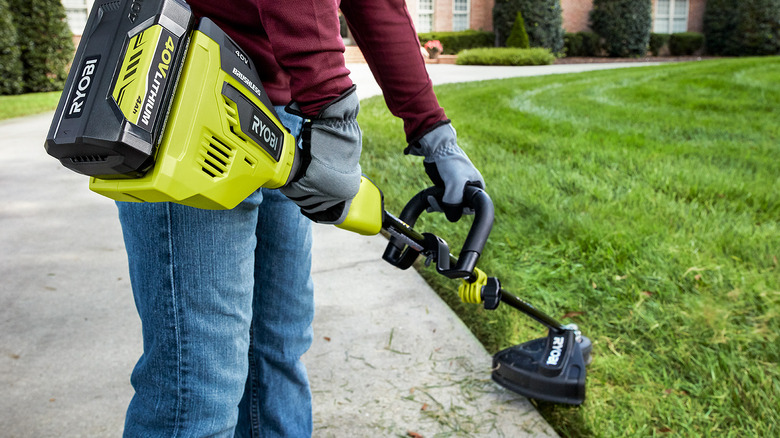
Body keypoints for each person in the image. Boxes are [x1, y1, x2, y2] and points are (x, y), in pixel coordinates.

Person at [118, 0, 484, 436]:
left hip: (286, 114)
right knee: (195, 388)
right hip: (185, 91)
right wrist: (333, 111)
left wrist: (432, 132)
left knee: (277, 349)